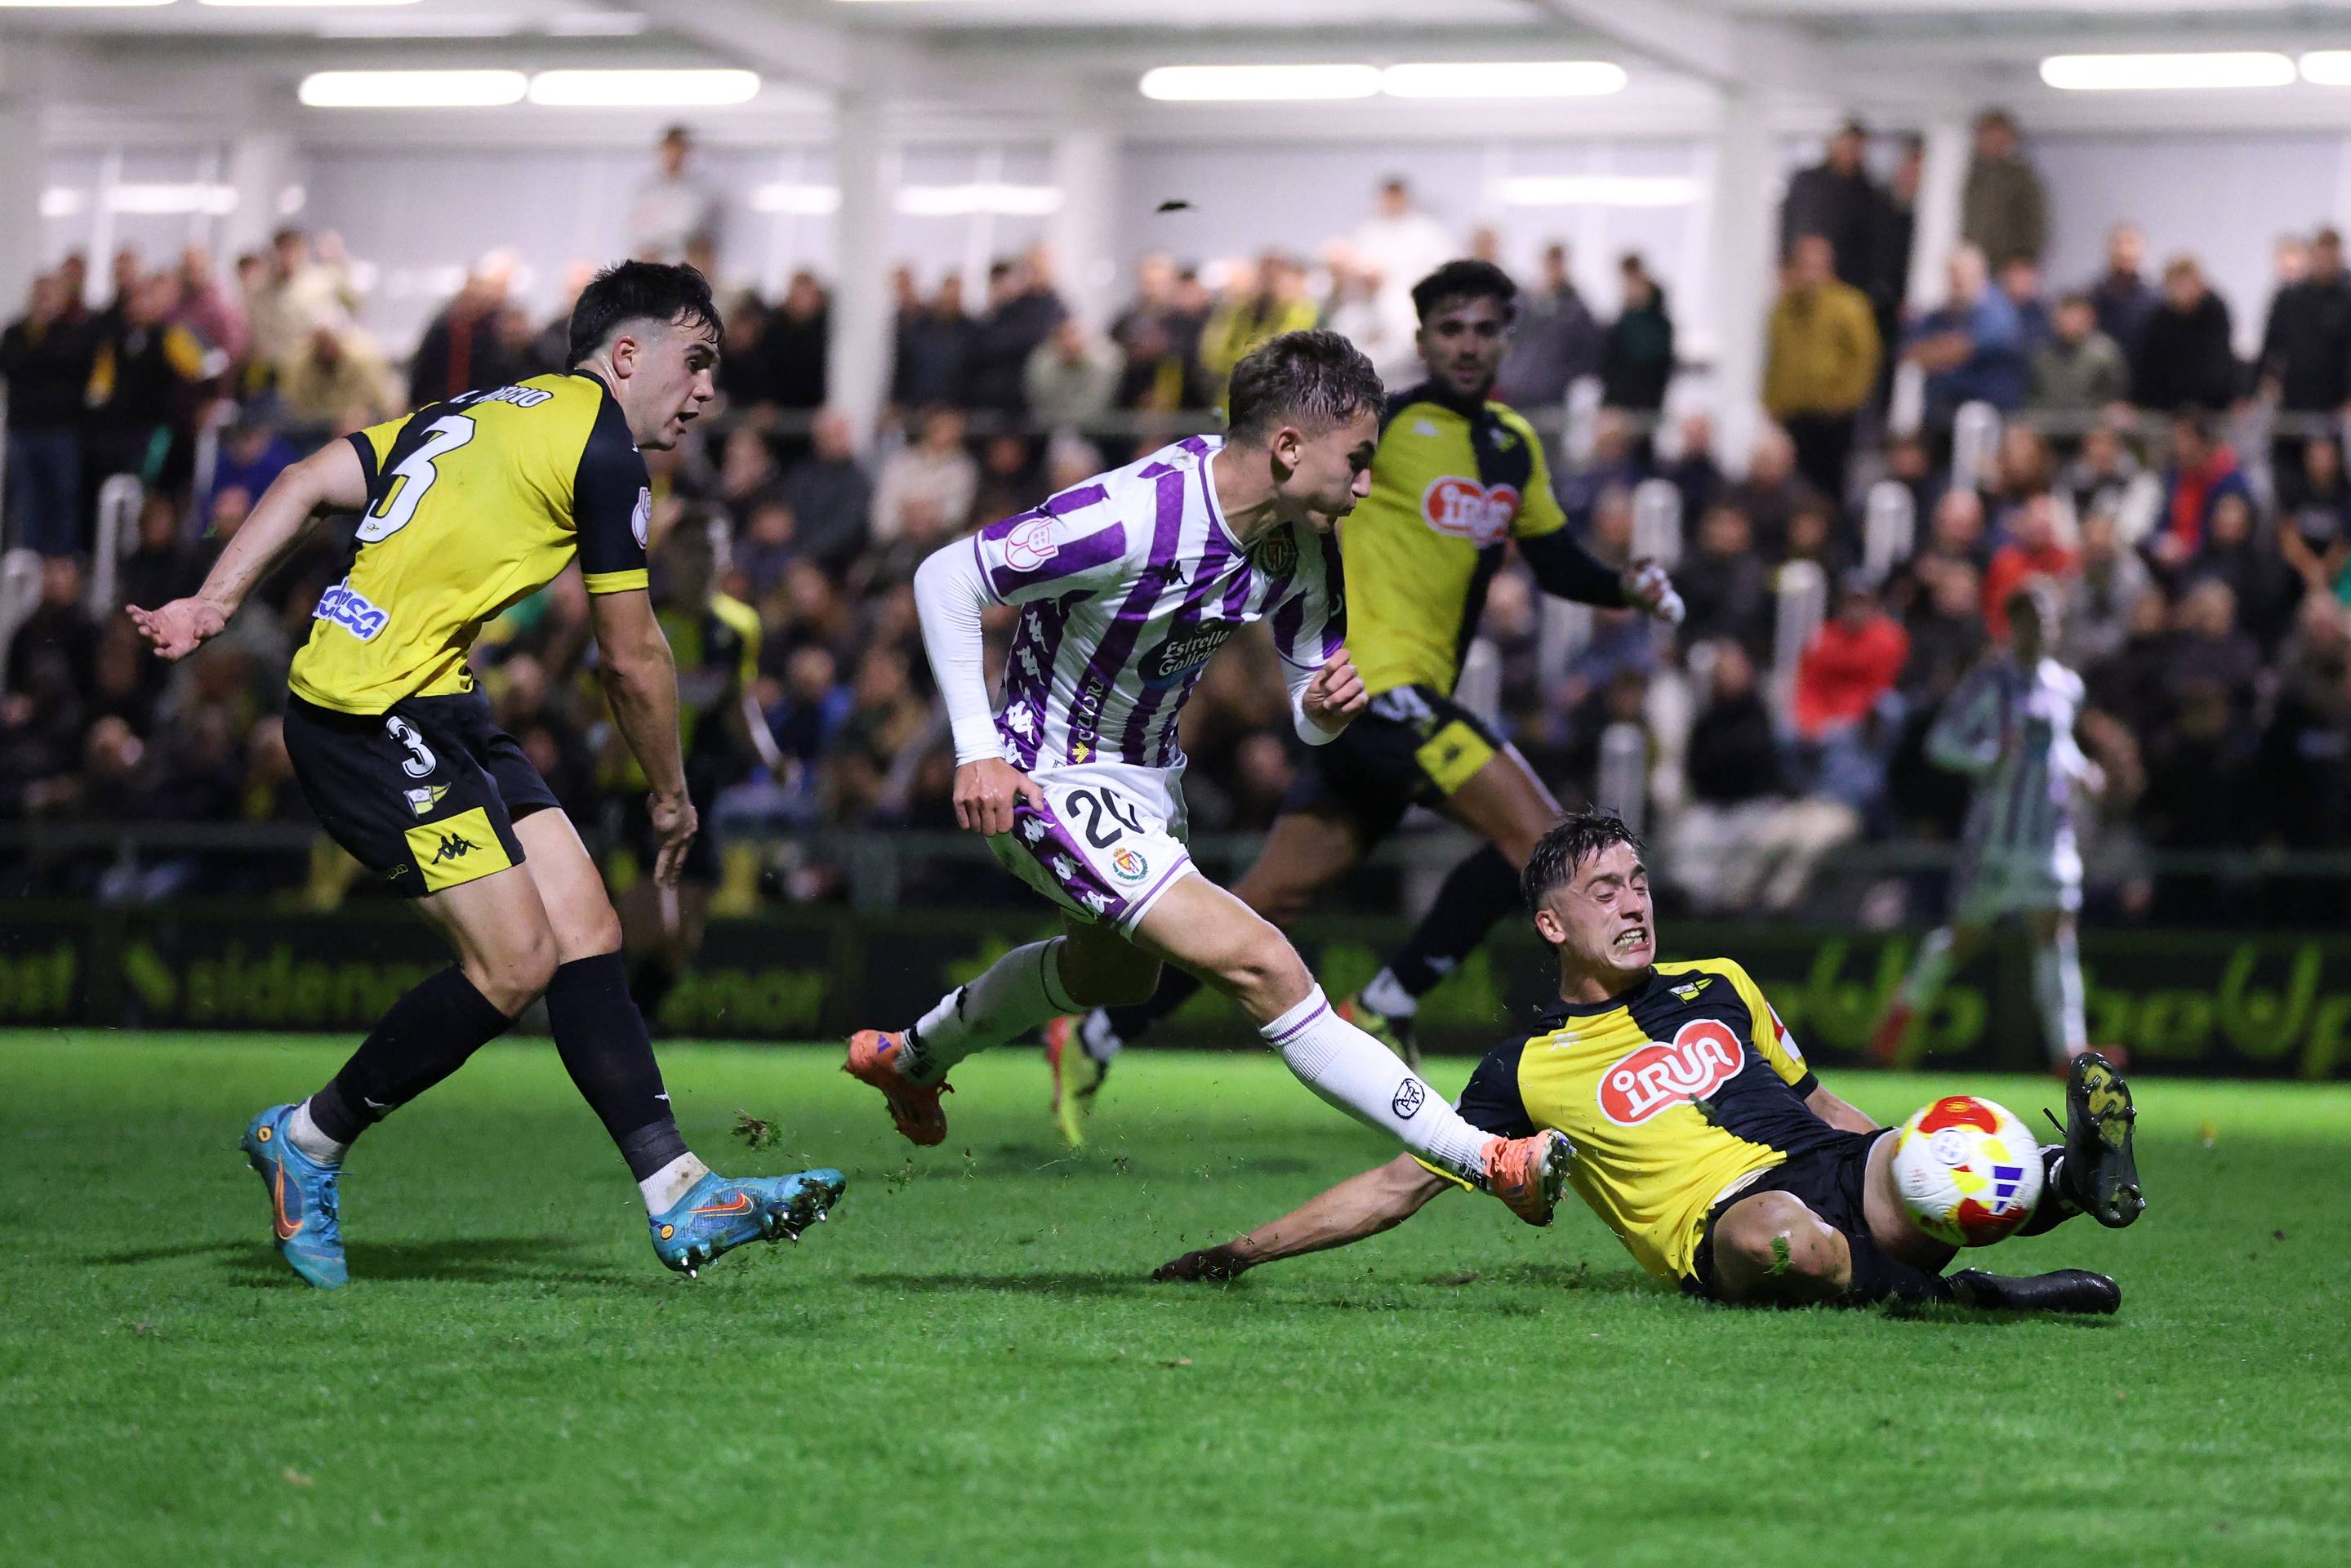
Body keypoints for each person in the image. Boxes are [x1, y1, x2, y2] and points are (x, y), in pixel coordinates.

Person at [128, 261, 843, 1289]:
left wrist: (210, 600)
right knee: (512, 967)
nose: (706, 393)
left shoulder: (472, 409)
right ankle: (308, 1140)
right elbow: (630, 656)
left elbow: (303, 481)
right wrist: (672, 791)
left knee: (588, 930)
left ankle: (677, 1191)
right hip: (364, 714)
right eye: (696, 363)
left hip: (437, 702)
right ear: (626, 355)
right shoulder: (601, 450)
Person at [842, 329, 1579, 1231]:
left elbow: (1308, 701)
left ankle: (910, 1056)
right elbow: (946, 575)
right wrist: (975, 749)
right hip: (1047, 777)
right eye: (1356, 461)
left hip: (1149, 781)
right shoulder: (1129, 515)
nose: (1364, 484)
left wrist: (1326, 706)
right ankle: (1486, 1156)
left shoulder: (1297, 541)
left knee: (1113, 979)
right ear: (1285, 448)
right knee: (1262, 961)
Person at [1047, 260, 1679, 1126]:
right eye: (1448, 329)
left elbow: (1555, 559)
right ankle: (1388, 998)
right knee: (1541, 843)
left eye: (1483, 329)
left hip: (1386, 716)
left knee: (1267, 904)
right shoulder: (1384, 431)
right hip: (1370, 687)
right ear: (1421, 340)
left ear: (1507, 337)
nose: (1466, 344)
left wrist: (1624, 586)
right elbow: (1304, 494)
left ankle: (1095, 1038)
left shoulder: (1510, 447)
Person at [1155, 813, 2140, 1312]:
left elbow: (1817, 1100)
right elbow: (1400, 1184)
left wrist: (1901, 1151)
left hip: (1831, 1170)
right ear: (1550, 924)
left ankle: (2056, 1179)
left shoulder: (1717, 979)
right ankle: (1979, 1286)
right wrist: (1242, 1252)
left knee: (1942, 1136)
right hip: (1727, 1226)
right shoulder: (1523, 1070)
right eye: (1603, 892)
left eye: (1637, 883)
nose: (1632, 904)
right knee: (1771, 1241)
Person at [1871, 581, 2107, 1071]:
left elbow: (2059, 746)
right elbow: (1941, 743)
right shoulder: (1988, 683)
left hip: (2049, 837)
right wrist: (1990, 756)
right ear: (2012, 625)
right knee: (1963, 938)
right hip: (1997, 839)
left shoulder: (2066, 686)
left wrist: (2084, 770)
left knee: (2056, 934)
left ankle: (2069, 1050)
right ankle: (1904, 1010)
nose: (2037, 629)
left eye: (2044, 619)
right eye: (2026, 619)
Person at [1762, 234, 1881, 501]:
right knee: (1796, 481)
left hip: (1833, 415)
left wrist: (1846, 399)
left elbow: (1864, 357)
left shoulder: (1849, 305)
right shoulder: (1785, 308)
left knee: (1831, 481)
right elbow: (1776, 357)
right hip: (1794, 411)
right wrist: (1772, 401)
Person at [2133, 256, 2239, 414]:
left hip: (2209, 406)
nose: (2183, 292)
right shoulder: (2161, 317)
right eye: (2176, 286)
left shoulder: (2215, 312)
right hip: (2167, 405)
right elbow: (2150, 362)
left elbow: (2216, 364)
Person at [1959, 109, 2046, 269]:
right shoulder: (1965, 173)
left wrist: (2022, 260)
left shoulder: (2021, 178)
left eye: (1997, 136)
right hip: (1970, 263)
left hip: (2007, 266)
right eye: (1987, 135)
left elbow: (2034, 224)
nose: (1991, 142)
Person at [626, 124, 724, 265]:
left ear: (687, 152)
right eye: (669, 149)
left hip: (686, 260)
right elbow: (637, 226)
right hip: (650, 261)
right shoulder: (645, 189)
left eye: (679, 150)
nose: (673, 155)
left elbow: (691, 226)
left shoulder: (699, 190)